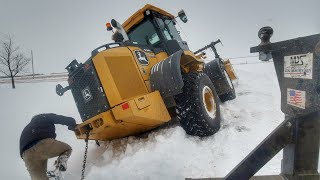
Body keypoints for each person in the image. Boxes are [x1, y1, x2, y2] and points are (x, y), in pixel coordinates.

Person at [20, 113, 77, 180]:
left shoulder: (27, 127)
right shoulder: (44, 117)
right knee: (67, 149)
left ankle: (54, 172)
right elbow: (64, 119)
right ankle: (56, 170)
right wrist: (72, 124)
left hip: (27, 156)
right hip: (42, 144)